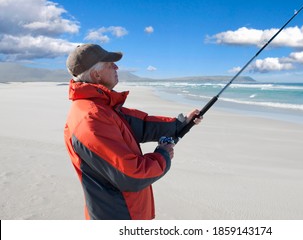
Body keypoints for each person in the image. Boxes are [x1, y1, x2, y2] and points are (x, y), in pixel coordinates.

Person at [64, 44, 202, 220]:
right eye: (110, 64)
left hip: (128, 211)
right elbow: (131, 175)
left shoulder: (103, 107)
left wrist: (181, 124)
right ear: (96, 74)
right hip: (119, 215)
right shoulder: (91, 118)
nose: (116, 67)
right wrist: (162, 155)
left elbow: (142, 125)